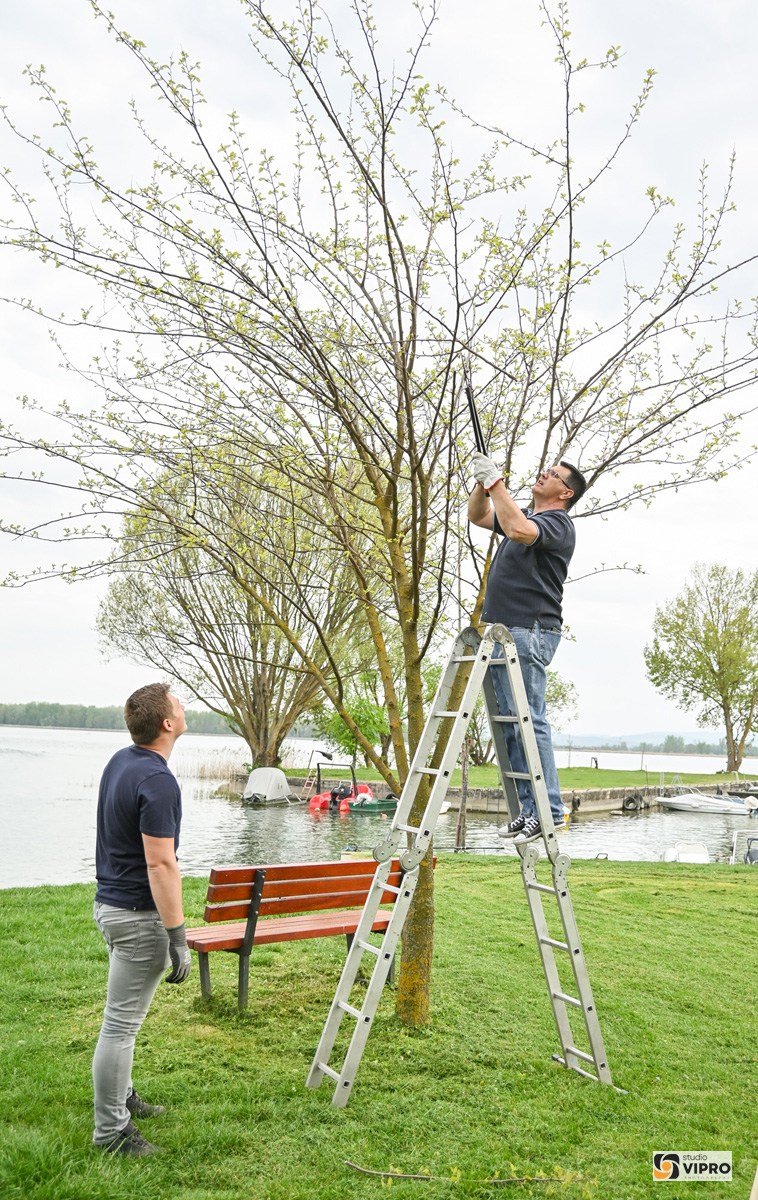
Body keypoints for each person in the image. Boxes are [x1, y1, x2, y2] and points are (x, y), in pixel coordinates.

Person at [91, 683, 192, 1157]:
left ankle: (122, 1095)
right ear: (167, 723)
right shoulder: (157, 780)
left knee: (121, 1022)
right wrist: (178, 937)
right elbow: (161, 864)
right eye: (178, 702)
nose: (183, 706)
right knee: (120, 1026)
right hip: (137, 916)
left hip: (110, 906)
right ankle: (112, 1132)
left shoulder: (120, 761)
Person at [468, 453, 586, 844]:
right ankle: (529, 811)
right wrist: (483, 484)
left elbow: (517, 529)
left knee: (531, 722)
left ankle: (549, 812)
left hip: (528, 630)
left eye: (553, 474)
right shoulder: (528, 518)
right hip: (504, 631)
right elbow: (479, 516)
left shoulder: (556, 523)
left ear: (565, 492)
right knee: (512, 726)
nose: (544, 473)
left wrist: (497, 481)